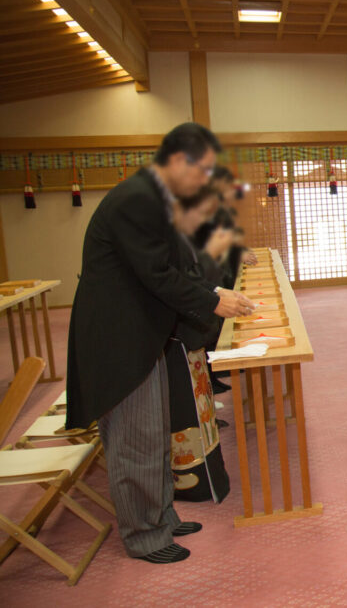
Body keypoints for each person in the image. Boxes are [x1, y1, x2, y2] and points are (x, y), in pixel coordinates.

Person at [65, 123, 254, 564]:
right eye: (202, 170)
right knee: (135, 441)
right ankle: (143, 534)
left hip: (146, 334)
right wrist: (212, 300)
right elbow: (156, 275)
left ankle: (162, 516)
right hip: (120, 340)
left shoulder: (158, 200)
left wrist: (215, 293)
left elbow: (179, 267)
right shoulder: (138, 200)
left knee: (155, 436)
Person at [169, 185, 231, 503]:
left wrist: (216, 292)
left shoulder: (189, 234)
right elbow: (175, 281)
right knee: (183, 414)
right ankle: (192, 483)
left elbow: (199, 274)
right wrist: (214, 296)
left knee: (199, 402)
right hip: (173, 335)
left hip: (192, 324)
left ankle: (208, 478)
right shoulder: (167, 235)